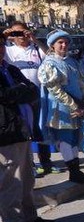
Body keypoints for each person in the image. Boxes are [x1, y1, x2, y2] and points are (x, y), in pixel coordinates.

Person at [1, 31, 54, 222]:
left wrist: (19, 91)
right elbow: (3, 95)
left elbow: (32, 89)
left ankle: (30, 217)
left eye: (1, 45)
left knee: (26, 177)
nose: (0, 50)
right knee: (11, 181)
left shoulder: (10, 69)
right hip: (5, 133)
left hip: (22, 129)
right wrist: (19, 91)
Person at [37, 30, 84, 184]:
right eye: (60, 42)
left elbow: (81, 82)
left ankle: (76, 171)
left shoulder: (71, 61)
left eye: (66, 42)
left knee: (74, 137)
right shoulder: (49, 63)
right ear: (52, 45)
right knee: (65, 138)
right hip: (61, 107)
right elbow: (55, 89)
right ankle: (73, 172)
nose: (64, 45)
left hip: (77, 105)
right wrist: (72, 105)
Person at [3, 21, 56, 176]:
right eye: (15, 33)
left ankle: (46, 162)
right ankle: (30, 165)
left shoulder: (36, 49)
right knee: (25, 130)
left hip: (37, 95)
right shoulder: (8, 50)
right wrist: (4, 36)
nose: (20, 36)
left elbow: (52, 55)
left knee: (40, 128)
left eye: (22, 32)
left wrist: (35, 39)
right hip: (19, 98)